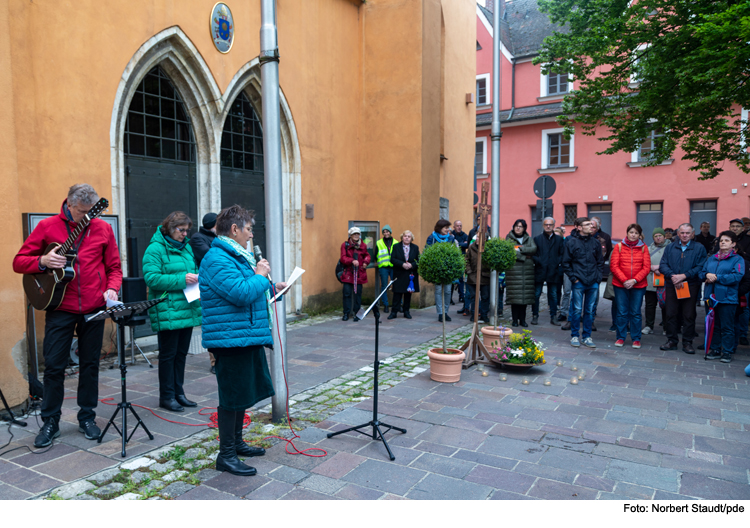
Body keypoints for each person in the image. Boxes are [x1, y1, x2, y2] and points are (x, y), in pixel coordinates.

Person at [13, 184, 122, 448]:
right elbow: (19, 262)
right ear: (69, 205)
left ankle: (87, 417)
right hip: (60, 308)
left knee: (90, 366)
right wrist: (42, 261)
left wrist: (111, 287)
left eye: (91, 213)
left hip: (94, 308)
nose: (87, 218)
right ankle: (50, 421)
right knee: (54, 367)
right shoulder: (48, 227)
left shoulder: (103, 228)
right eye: (82, 212)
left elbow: (114, 267)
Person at [199, 205, 288, 476]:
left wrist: (272, 288)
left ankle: (237, 444)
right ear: (235, 229)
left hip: (244, 335)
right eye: (248, 229)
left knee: (242, 395)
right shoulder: (217, 258)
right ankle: (225, 455)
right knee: (232, 397)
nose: (251, 235)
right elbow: (240, 293)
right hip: (230, 339)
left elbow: (249, 291)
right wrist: (261, 276)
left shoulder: (236, 256)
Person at [143, 211, 202, 412]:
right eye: (181, 230)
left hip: (186, 307)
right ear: (170, 228)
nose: (185, 234)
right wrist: (181, 279)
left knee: (181, 354)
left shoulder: (186, 248)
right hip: (167, 309)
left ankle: (179, 393)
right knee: (168, 356)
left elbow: (190, 271)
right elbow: (151, 278)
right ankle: (166, 396)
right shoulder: (155, 249)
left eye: (187, 230)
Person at [659, 223, 707, 354]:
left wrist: (684, 276)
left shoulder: (699, 248)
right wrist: (673, 276)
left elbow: (701, 266)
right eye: (682, 233)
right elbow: (663, 264)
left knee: (689, 315)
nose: (684, 235)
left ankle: (687, 342)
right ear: (678, 234)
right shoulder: (670, 247)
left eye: (687, 233)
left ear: (692, 234)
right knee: (670, 314)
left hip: (690, 285)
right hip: (671, 284)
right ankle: (672, 341)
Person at [699, 231, 745, 363]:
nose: (722, 242)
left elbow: (736, 276)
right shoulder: (712, 258)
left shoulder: (737, 259)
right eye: (721, 241)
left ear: (733, 244)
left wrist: (717, 278)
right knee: (714, 325)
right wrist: (707, 275)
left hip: (727, 298)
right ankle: (715, 349)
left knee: (727, 326)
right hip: (710, 297)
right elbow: (701, 273)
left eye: (726, 240)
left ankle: (727, 351)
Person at [562, 217, 604, 348]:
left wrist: (597, 277)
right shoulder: (572, 243)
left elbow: (600, 262)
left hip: (593, 282)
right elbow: (565, 263)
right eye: (587, 225)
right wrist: (574, 278)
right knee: (576, 310)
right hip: (579, 281)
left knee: (590, 311)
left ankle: (587, 336)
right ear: (579, 227)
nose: (591, 227)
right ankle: (575, 335)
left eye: (591, 225)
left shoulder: (595, 243)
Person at [610, 224, 651, 348]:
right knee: (622, 312)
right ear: (627, 233)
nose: (633, 235)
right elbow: (614, 266)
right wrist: (624, 280)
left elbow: (646, 267)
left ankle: (636, 338)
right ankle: (621, 337)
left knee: (635, 312)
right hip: (620, 285)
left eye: (636, 233)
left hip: (638, 286)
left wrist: (634, 280)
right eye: (631, 232)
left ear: (640, 235)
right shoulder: (619, 247)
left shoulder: (644, 248)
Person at [190, 212, 218, 374]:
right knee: (211, 323)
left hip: (220, 283)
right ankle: (214, 362)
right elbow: (210, 257)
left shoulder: (220, 238)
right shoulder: (198, 238)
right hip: (206, 285)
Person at [532, 217, 564, 326]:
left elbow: (562, 254)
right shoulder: (537, 239)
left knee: (553, 294)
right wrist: (539, 261)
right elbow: (533, 254)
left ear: (554, 225)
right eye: (546, 224)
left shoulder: (559, 240)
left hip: (553, 270)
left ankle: (553, 316)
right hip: (540, 269)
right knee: (536, 294)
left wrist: (556, 262)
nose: (548, 226)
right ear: (543, 225)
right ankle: (535, 315)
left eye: (550, 224)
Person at [505, 219, 537, 327]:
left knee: (525, 298)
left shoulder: (529, 238)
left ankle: (523, 320)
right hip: (514, 272)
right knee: (515, 298)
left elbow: (533, 249)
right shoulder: (509, 238)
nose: (518, 228)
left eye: (521, 226)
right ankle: (515, 320)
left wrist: (520, 249)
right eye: (516, 226)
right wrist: (525, 257)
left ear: (524, 228)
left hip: (527, 272)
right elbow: (510, 251)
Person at [426, 219, 457, 322]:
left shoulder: (451, 238)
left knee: (448, 291)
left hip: (448, 270)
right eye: (446, 228)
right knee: (439, 291)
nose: (448, 229)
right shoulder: (431, 238)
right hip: (437, 270)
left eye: (448, 228)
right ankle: (440, 313)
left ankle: (446, 312)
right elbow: (427, 252)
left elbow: (455, 253)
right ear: (440, 228)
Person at [340, 227, 371, 321]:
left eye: (358, 234)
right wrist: (352, 260)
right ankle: (346, 313)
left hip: (359, 274)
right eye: (354, 234)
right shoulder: (345, 245)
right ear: (350, 235)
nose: (356, 235)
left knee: (358, 295)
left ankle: (357, 313)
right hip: (348, 273)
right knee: (347, 294)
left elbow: (367, 255)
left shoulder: (363, 245)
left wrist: (366, 262)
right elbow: (343, 258)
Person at [727, 219, 750, 345]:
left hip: (742, 279)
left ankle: (742, 334)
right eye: (733, 226)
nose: (735, 228)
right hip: (725, 280)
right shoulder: (724, 237)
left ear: (742, 228)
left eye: (737, 226)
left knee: (743, 308)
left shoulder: (747, 240)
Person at [388, 230, 419, 320]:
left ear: (411, 238)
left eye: (409, 236)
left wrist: (412, 265)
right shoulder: (396, 246)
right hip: (399, 273)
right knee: (397, 294)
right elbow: (392, 259)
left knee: (408, 294)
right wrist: (402, 264)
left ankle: (406, 311)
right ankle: (394, 312)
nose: (407, 238)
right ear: (402, 237)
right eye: (405, 236)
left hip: (410, 274)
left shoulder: (415, 247)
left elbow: (418, 260)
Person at [643, 227, 669, 336]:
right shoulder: (648, 249)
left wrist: (660, 267)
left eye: (660, 235)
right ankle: (649, 326)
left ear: (664, 236)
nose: (658, 238)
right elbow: (643, 262)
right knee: (650, 304)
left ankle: (666, 327)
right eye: (656, 236)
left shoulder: (670, 248)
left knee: (666, 305)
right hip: (650, 280)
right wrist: (651, 268)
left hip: (665, 281)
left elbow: (673, 262)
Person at [465, 235, 491, 323]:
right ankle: (474, 315)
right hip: (472, 276)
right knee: (474, 297)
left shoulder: (488, 248)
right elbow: (466, 260)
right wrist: (468, 270)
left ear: (485, 239)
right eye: (477, 237)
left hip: (485, 277)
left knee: (485, 297)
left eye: (480, 237)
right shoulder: (471, 247)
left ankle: (484, 315)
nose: (477, 239)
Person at [376, 225, 395, 313]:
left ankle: (398, 304)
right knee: (384, 286)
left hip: (393, 267)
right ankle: (386, 305)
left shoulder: (396, 242)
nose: (386, 233)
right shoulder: (379, 243)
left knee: (396, 286)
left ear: (390, 232)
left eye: (387, 232)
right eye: (384, 232)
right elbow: (375, 255)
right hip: (383, 267)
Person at [453, 220, 469, 308]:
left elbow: (467, 245)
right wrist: (462, 244)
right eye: (457, 226)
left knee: (461, 278)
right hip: (453, 258)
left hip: (462, 258)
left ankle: (461, 296)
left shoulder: (464, 235)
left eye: (460, 226)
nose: (459, 227)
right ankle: (451, 298)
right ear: (454, 226)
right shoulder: (451, 234)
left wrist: (457, 244)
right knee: (452, 279)